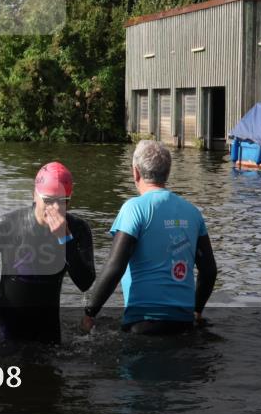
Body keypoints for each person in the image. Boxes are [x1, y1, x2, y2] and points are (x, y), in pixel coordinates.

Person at [0, 162, 94, 346]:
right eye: (48, 200)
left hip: (46, 329)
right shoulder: (8, 225)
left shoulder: (78, 229)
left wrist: (66, 242)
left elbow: (85, 282)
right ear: (35, 195)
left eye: (62, 201)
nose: (55, 208)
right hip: (2, 326)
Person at [81, 141, 217, 335]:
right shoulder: (193, 212)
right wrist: (196, 310)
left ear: (135, 172)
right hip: (184, 323)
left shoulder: (134, 208)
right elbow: (209, 271)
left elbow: (115, 266)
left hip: (143, 324)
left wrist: (90, 312)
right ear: (167, 173)